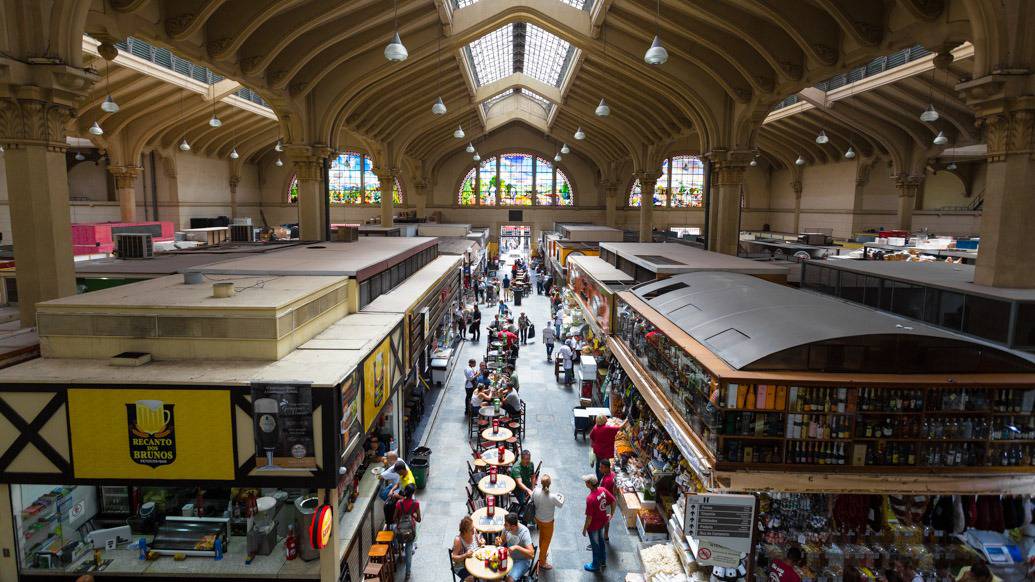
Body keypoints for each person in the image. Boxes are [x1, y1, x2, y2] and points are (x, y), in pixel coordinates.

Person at [582, 474, 615, 572]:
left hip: (593, 526)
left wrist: (584, 529)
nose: (585, 483)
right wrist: (611, 514)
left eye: (586, 481)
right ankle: (603, 561)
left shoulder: (590, 498)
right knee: (601, 541)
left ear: (589, 484)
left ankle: (595, 565)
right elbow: (613, 501)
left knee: (595, 544)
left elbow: (589, 517)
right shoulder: (602, 490)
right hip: (602, 522)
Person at [531, 474, 564, 570]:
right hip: (548, 522)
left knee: (542, 536)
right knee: (546, 541)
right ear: (550, 484)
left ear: (541, 483)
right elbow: (560, 504)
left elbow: (532, 498)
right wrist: (561, 495)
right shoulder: (553, 497)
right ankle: (542, 562)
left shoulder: (536, 491)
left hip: (537, 519)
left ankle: (542, 553)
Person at [497, 512, 535, 582]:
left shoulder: (524, 532)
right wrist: (499, 541)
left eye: (506, 525)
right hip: (509, 557)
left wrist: (517, 547)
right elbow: (502, 541)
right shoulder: (506, 528)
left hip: (522, 561)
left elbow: (532, 555)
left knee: (509, 580)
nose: (504, 526)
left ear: (513, 526)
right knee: (495, 575)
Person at [395, 484, 421, 581]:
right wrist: (412, 515)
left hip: (400, 531)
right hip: (411, 531)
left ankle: (397, 549)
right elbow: (419, 519)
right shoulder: (416, 504)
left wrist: (399, 525)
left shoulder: (399, 503)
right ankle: (407, 573)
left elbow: (394, 518)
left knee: (394, 533)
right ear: (413, 493)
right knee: (408, 551)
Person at [450, 516, 482, 582]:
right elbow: (453, 557)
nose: (473, 530)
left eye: (473, 527)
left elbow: (479, 542)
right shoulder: (458, 540)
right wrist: (465, 555)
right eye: (471, 530)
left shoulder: (474, 531)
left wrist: (481, 542)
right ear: (464, 531)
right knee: (471, 579)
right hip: (462, 567)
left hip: (475, 563)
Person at [598, 459, 617, 541]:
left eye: (601, 467)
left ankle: (602, 535)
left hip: (606, 503)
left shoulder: (607, 481)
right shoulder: (611, 474)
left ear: (606, 468)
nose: (599, 469)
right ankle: (605, 534)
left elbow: (604, 494)